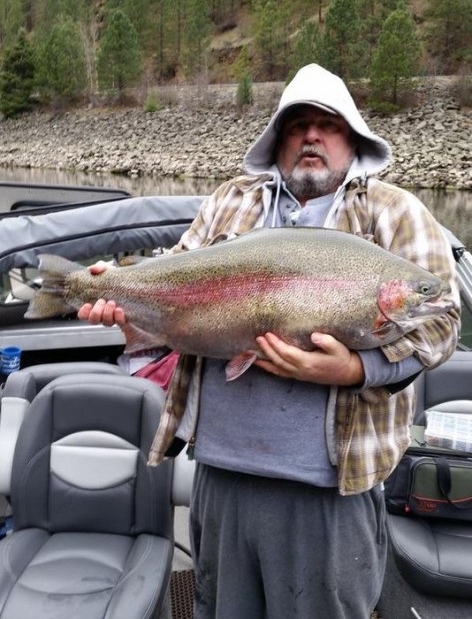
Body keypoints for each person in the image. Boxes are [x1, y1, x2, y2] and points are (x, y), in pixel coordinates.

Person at [78, 64, 460, 619]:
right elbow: (171, 283)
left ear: (351, 139)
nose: (311, 136)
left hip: (330, 493)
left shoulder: (397, 212)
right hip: (222, 478)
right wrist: (123, 303)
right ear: (277, 142)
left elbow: (443, 321)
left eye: (326, 126)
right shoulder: (229, 201)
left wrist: (356, 370)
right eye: (295, 126)